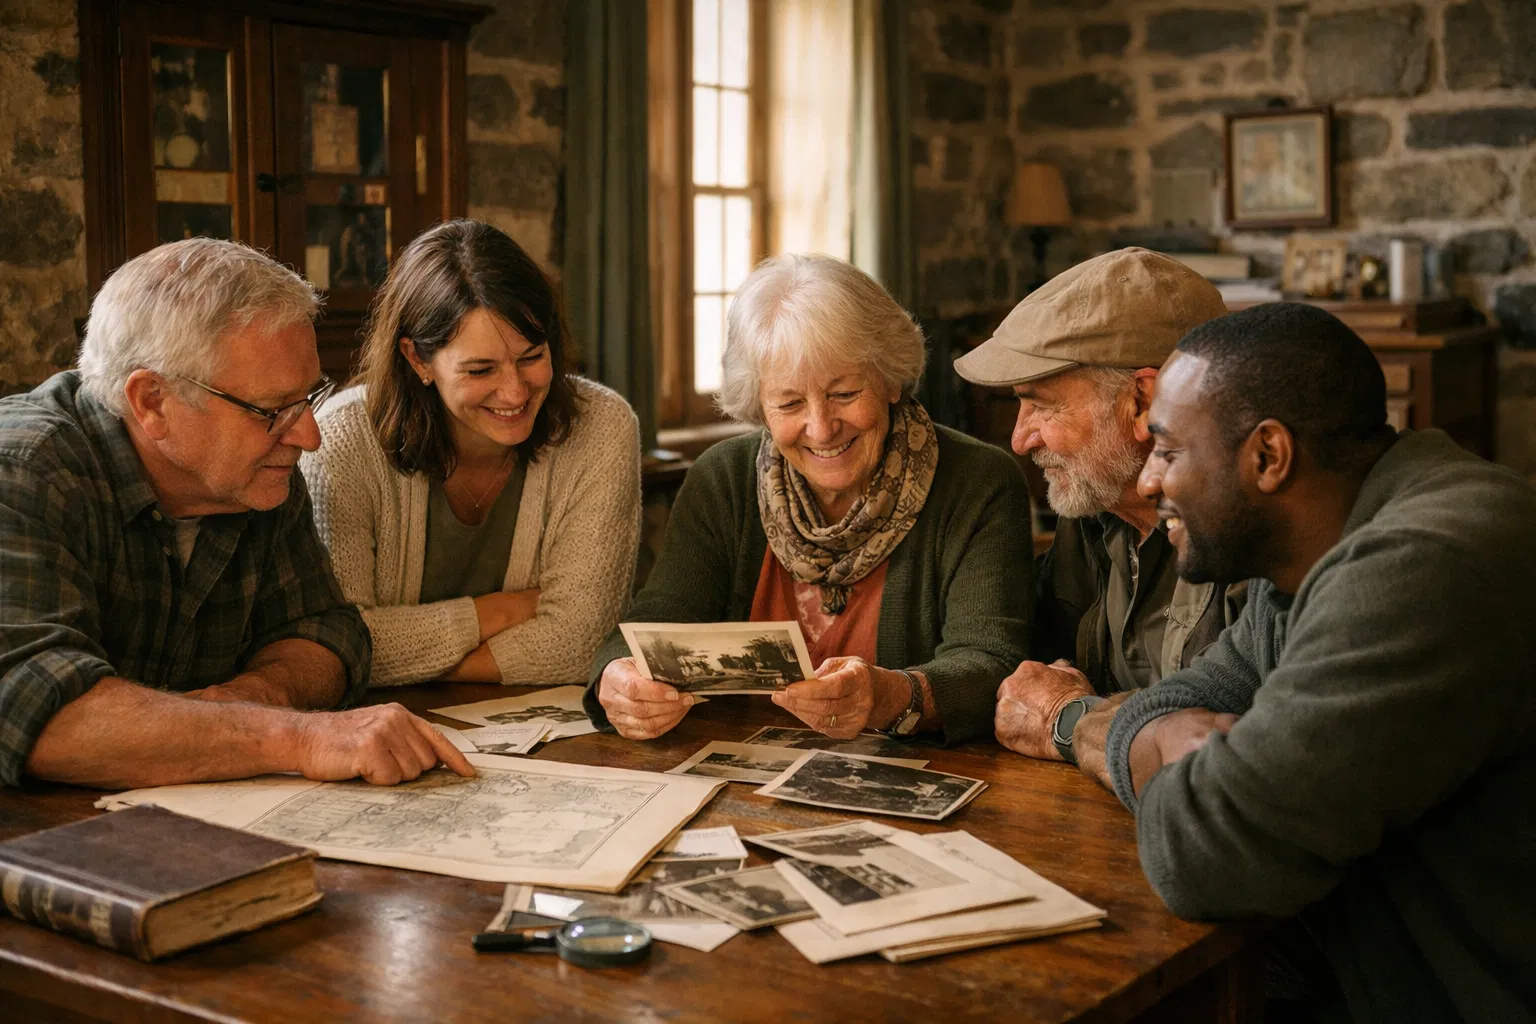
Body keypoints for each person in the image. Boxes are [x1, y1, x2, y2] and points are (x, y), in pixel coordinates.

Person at [1079, 303, 1536, 1022]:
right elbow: (1173, 702)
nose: (1146, 482)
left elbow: (1207, 855)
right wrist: (1159, 738)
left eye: (1167, 450)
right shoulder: (1308, 552)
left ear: (1267, 456)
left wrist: (1160, 764)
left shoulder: (1424, 567)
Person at [0, 238, 474, 790]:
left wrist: (256, 698)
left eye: (308, 399)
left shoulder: (253, 474)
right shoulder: (23, 468)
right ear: (152, 401)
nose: (308, 436)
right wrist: (297, 736)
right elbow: (35, 710)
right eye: (271, 410)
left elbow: (326, 631)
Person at [586, 254, 1033, 744]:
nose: (821, 428)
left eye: (843, 394)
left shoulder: (979, 483)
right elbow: (659, 615)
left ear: (888, 379)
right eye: (790, 403)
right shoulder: (723, 479)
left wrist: (891, 695)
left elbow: (994, 663)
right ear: (759, 404)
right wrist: (618, 678)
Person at [301, 219, 640, 686]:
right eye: (481, 370)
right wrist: (491, 613)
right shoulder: (341, 443)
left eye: (531, 357)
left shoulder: (602, 427)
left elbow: (579, 646)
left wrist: (406, 661)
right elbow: (337, 644)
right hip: (377, 731)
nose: (515, 392)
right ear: (417, 359)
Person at [952, 248, 1241, 768]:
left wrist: (1071, 720)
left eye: (1041, 404)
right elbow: (1029, 673)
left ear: (1143, 402)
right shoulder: (1094, 507)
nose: (1019, 440)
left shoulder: (1255, 534)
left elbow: (1228, 737)